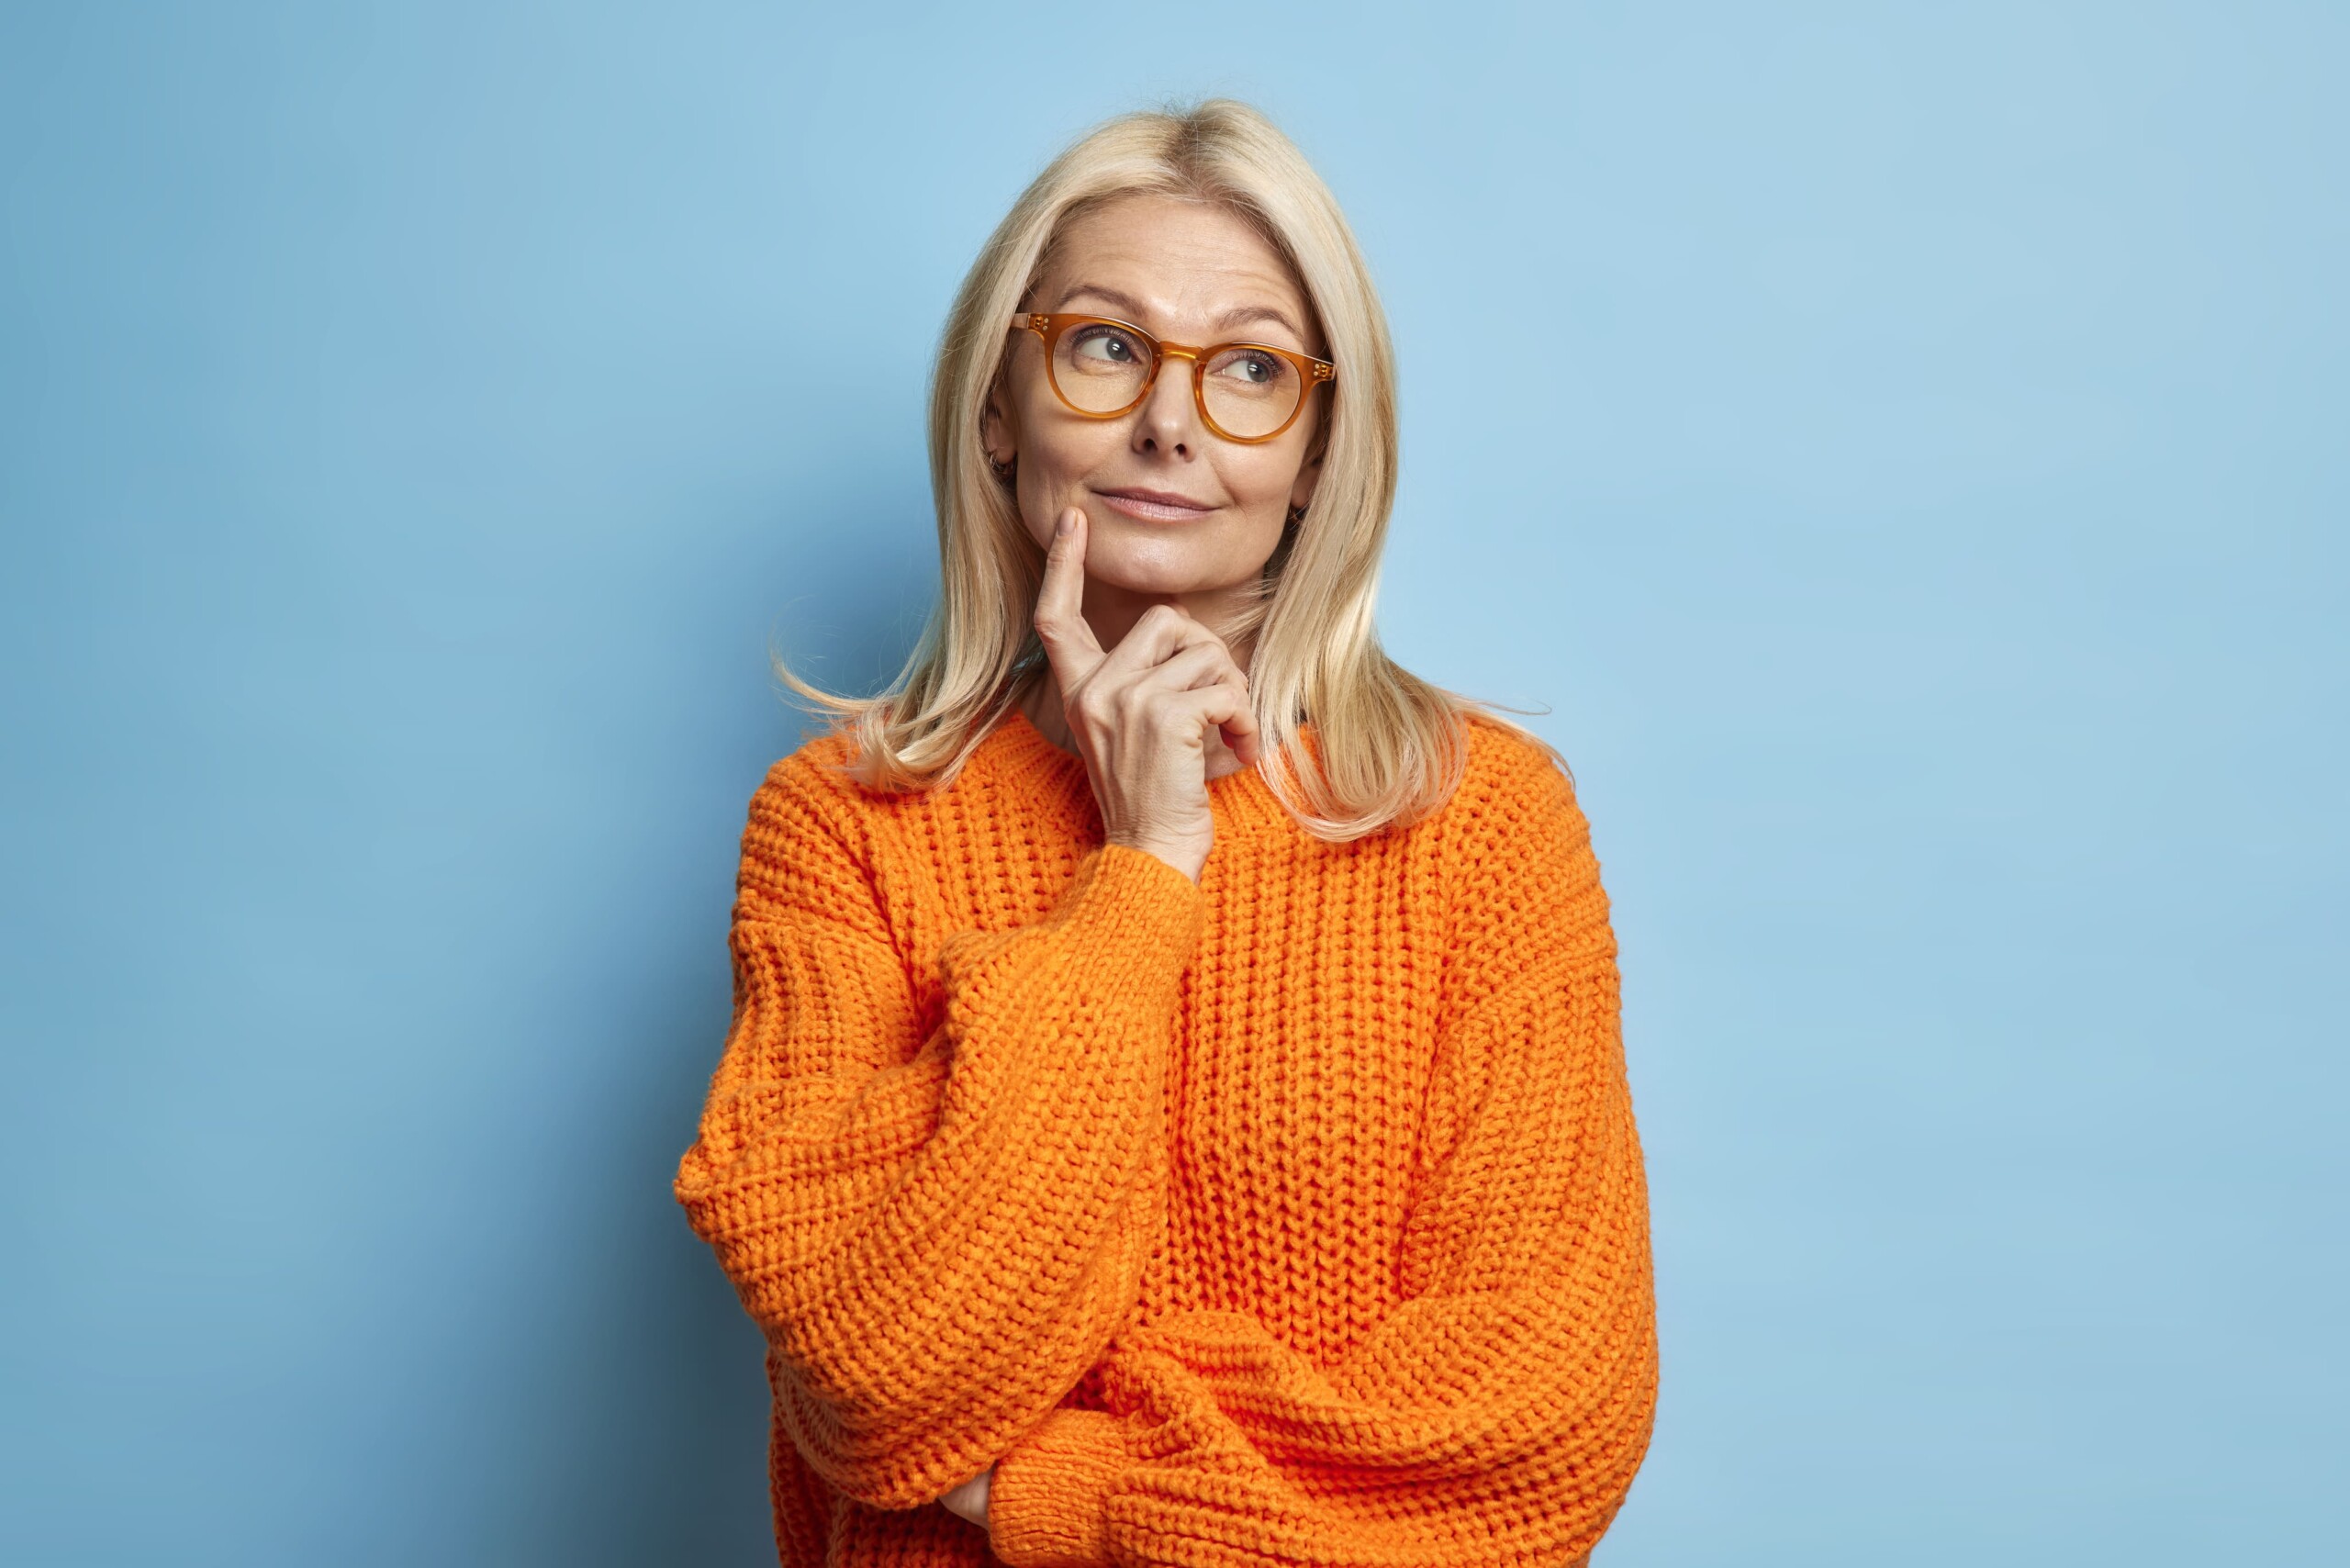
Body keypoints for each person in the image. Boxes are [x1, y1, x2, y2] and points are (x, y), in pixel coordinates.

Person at [673, 98, 1659, 1568]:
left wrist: (1042, 1488)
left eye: (1253, 368)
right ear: (999, 406)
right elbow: (883, 1377)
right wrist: (1142, 869)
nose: (1171, 420)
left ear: (1323, 448)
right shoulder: (842, 831)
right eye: (1105, 345)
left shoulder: (1483, 823)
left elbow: (1534, 1433)